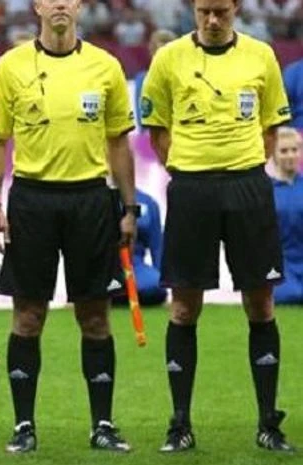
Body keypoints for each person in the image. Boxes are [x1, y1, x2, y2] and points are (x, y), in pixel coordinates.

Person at [0, 0, 138, 453]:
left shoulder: (105, 67)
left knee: (94, 316)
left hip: (90, 198)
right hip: (31, 199)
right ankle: (23, 425)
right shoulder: (11, 65)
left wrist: (129, 207)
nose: (60, 7)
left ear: (80, 7)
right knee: (28, 316)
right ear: (37, 7)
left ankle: (103, 424)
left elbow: (119, 142)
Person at [140, 0, 295, 452]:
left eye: (221, 12)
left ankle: (268, 424)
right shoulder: (168, 59)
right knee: (184, 307)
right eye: (204, 11)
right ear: (192, 9)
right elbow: (158, 132)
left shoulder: (261, 55)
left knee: (260, 304)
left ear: (236, 9)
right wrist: (193, 171)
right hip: (191, 190)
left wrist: (241, 168)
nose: (212, 20)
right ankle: (180, 425)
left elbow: (271, 129)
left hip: (248, 187)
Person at [113, 188, 167, 307]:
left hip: (135, 266)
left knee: (155, 285)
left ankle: (118, 293)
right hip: (105, 267)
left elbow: (157, 246)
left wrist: (164, 280)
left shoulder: (148, 203)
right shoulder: (97, 199)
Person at [271, 127, 303, 304]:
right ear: (274, 154)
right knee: (290, 296)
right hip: (281, 265)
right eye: (284, 151)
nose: (290, 155)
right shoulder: (265, 191)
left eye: (294, 150)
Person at [133, 29, 177, 129]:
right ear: (152, 52)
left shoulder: (185, 77)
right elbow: (142, 119)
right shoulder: (143, 79)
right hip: (151, 135)